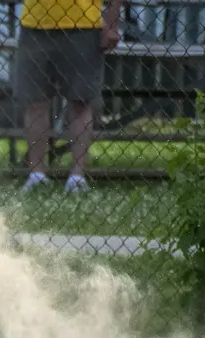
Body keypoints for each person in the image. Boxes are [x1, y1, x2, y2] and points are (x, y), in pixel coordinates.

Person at [15, 0, 123, 194]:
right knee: (35, 102)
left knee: (81, 102)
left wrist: (113, 23)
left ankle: (77, 178)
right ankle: (36, 175)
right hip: (34, 23)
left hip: (84, 25)